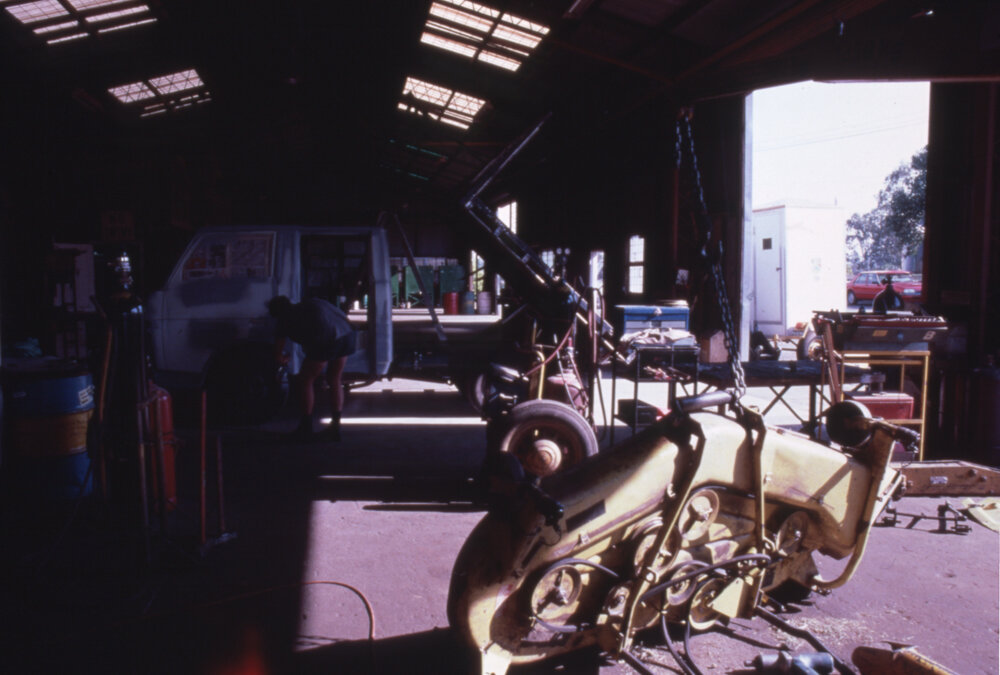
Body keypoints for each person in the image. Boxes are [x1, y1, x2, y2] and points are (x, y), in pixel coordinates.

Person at [267, 295, 356, 441]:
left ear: (278, 313)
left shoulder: (285, 319)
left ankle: (305, 427)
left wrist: (282, 358)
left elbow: (278, 353)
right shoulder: (312, 302)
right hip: (348, 335)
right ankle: (335, 428)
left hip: (328, 338)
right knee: (334, 379)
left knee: (305, 380)